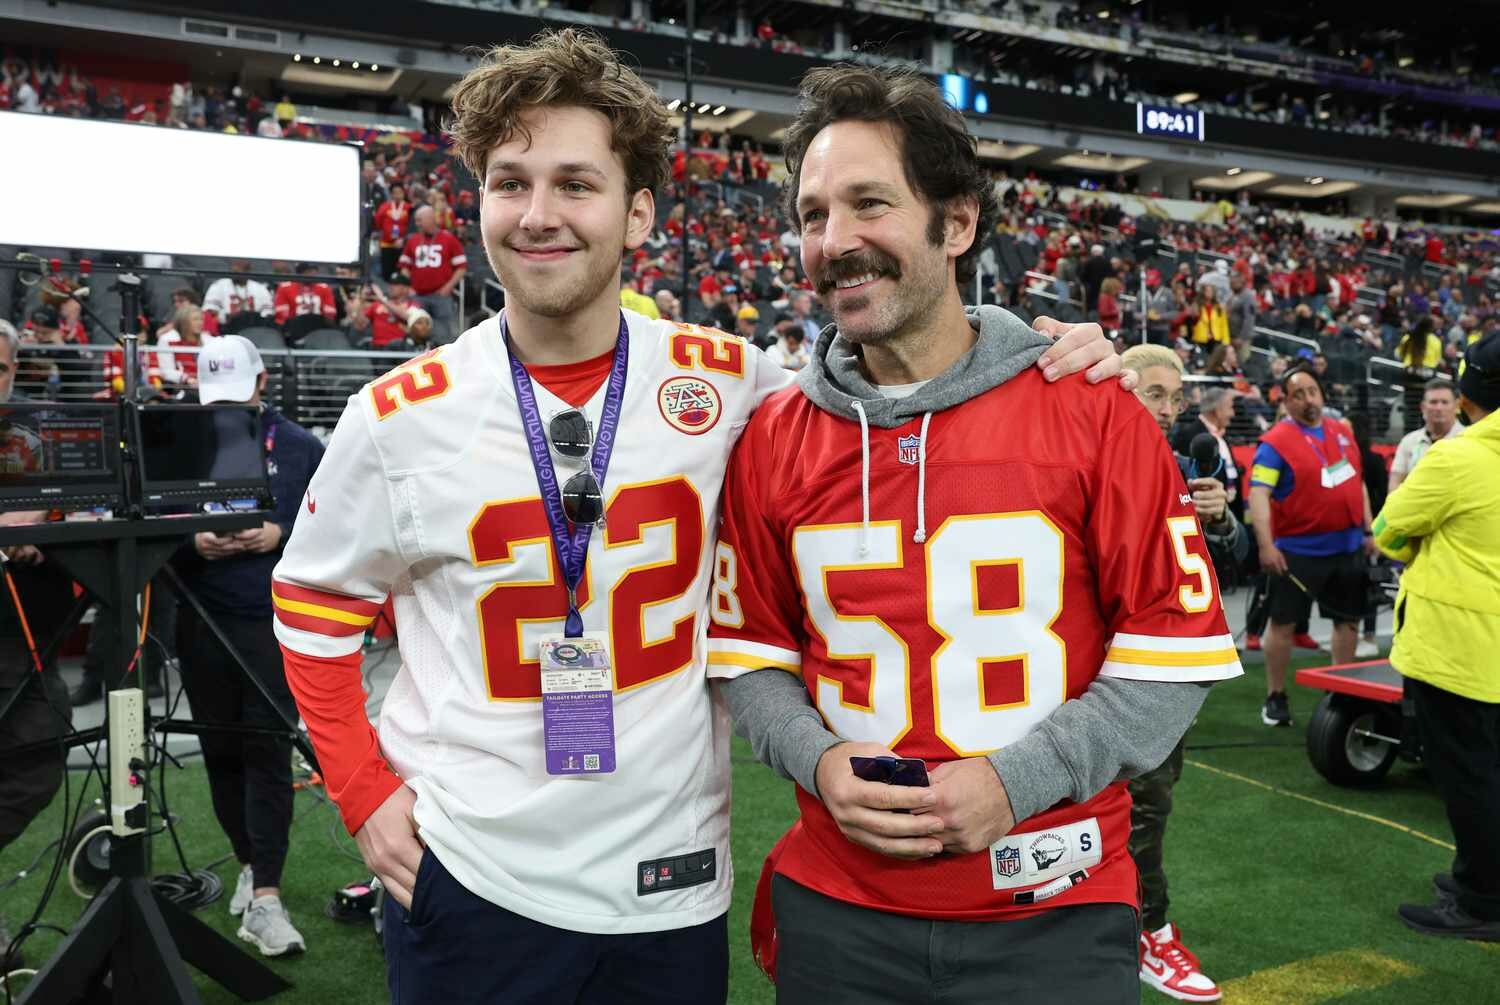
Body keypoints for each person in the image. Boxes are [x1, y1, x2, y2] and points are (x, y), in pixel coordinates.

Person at [270, 29, 1125, 1004]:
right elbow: (311, 614)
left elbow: (903, 375)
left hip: (669, 883)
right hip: (474, 875)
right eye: (510, 183)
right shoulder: (395, 418)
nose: (537, 215)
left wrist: (1041, 350)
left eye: (574, 184)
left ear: (639, 214)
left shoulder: (734, 384)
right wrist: (364, 796)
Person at [705, 64, 1240, 1004]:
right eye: (813, 213)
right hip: (841, 905)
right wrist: (819, 759)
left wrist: (1020, 777)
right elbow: (750, 655)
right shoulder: (773, 438)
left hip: (1054, 902)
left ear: (957, 222)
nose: (835, 241)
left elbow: (1171, 660)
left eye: (869, 203)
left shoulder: (1095, 411)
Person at [174, 336, 323, 956]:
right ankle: (246, 860)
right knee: (220, 751)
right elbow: (149, 534)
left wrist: (280, 532)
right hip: (203, 620)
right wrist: (192, 542)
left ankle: (267, 892)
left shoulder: (298, 448)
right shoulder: (179, 442)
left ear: (262, 384)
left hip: (269, 622)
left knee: (265, 750)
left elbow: (332, 529)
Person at [1121, 343, 1246, 1003]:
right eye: (1155, 394)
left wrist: (1221, 522)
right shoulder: (1094, 451)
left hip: (1158, 667)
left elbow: (1236, 557)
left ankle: (1141, 925)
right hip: (1098, 666)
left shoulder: (1179, 464)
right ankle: (1141, 926)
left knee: (1147, 802)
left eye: (1176, 397)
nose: (1169, 409)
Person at [1373, 331, 1500, 941]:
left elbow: (1390, 531)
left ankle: (1482, 900)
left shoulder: (1456, 458)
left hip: (1459, 651)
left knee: (1468, 778)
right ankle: (1480, 872)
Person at [0, 321, 77, 963]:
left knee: (43, 753)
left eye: (0, 369)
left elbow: (77, 511)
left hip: (24, 636)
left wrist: (47, 530)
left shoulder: (36, 436)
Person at [1247, 367, 1377, 727]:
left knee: (1347, 621)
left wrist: (1368, 529)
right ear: (1287, 402)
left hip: (1349, 547)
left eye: (1312, 391)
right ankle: (1275, 695)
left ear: (1322, 394)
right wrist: (1266, 545)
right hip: (1298, 552)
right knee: (1283, 624)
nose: (1308, 399)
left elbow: (1358, 482)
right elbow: (1259, 494)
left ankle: (1341, 689)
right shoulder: (1275, 442)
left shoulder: (1342, 433)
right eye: (1298, 393)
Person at [398, 205, 467, 345]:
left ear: (430, 219)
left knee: (443, 335)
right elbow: (404, 266)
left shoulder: (449, 239)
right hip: (418, 295)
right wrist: (408, 286)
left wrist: (448, 287)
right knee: (417, 334)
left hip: (441, 296)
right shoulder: (413, 240)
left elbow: (462, 267)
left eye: (419, 220)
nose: (416, 224)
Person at [1389, 378, 1461, 492]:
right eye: (1433, 402)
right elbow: (1395, 483)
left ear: (1457, 406)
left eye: (1444, 402)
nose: (1439, 408)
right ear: (1423, 407)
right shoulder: (1409, 442)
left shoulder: (1468, 439)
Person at [204, 262, 274, 330]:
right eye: (233, 269)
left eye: (239, 269)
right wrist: (223, 317)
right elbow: (209, 310)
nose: (235, 270)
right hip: (227, 328)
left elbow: (268, 312)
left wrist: (257, 319)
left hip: (254, 328)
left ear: (247, 270)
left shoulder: (260, 288)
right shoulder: (219, 285)